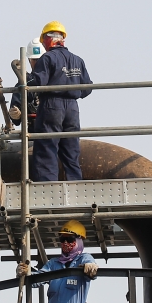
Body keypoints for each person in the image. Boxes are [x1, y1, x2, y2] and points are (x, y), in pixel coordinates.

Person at [28, 21, 92, 182]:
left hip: (52, 105)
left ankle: (47, 187)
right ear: (62, 39)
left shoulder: (47, 58)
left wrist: (24, 85)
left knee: (47, 147)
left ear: (48, 39)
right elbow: (87, 88)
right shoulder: (78, 60)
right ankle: (75, 185)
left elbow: (38, 83)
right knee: (71, 149)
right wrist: (72, 90)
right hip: (72, 109)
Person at [9, 38, 44, 133]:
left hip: (56, 133)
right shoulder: (24, 83)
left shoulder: (56, 80)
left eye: (40, 59)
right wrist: (16, 114)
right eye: (34, 60)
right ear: (29, 60)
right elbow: (16, 118)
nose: (37, 63)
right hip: (34, 134)